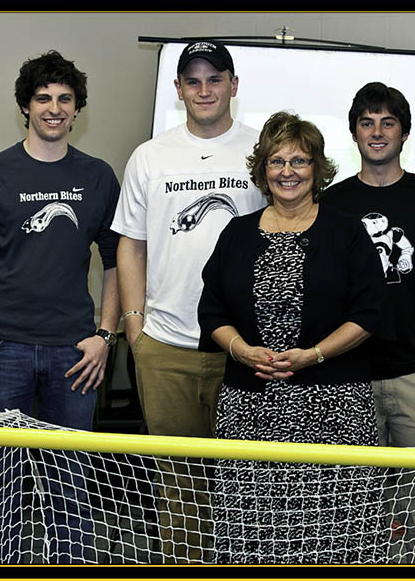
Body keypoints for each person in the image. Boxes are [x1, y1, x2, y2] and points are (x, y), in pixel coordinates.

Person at [198, 111, 387, 563]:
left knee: (335, 528)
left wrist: (314, 355)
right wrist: (241, 351)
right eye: (276, 161)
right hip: (250, 407)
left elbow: (369, 312)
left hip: (334, 407)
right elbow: (212, 311)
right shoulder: (238, 233)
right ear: (262, 170)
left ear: (317, 169)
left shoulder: (345, 231)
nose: (288, 172)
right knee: (254, 527)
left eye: (299, 161)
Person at [0, 50, 121, 563]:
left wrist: (105, 334)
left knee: (70, 491)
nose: (54, 108)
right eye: (43, 98)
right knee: (0, 488)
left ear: (78, 109)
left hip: (75, 354)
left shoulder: (98, 177)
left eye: (65, 99)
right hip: (0, 351)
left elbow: (118, 261)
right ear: (26, 106)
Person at [112, 40, 267, 563]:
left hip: (245, 351)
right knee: (179, 493)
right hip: (166, 349)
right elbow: (130, 244)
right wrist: (136, 329)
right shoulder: (150, 156)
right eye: (193, 81)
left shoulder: (263, 152)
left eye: (215, 79)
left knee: (247, 485)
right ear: (178, 90)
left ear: (234, 85)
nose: (204, 90)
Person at [322, 82, 415, 563]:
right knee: (351, 513)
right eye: (367, 122)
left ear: (405, 133)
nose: (377, 133)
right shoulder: (331, 204)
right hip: (348, 378)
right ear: (354, 131)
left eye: (388, 123)